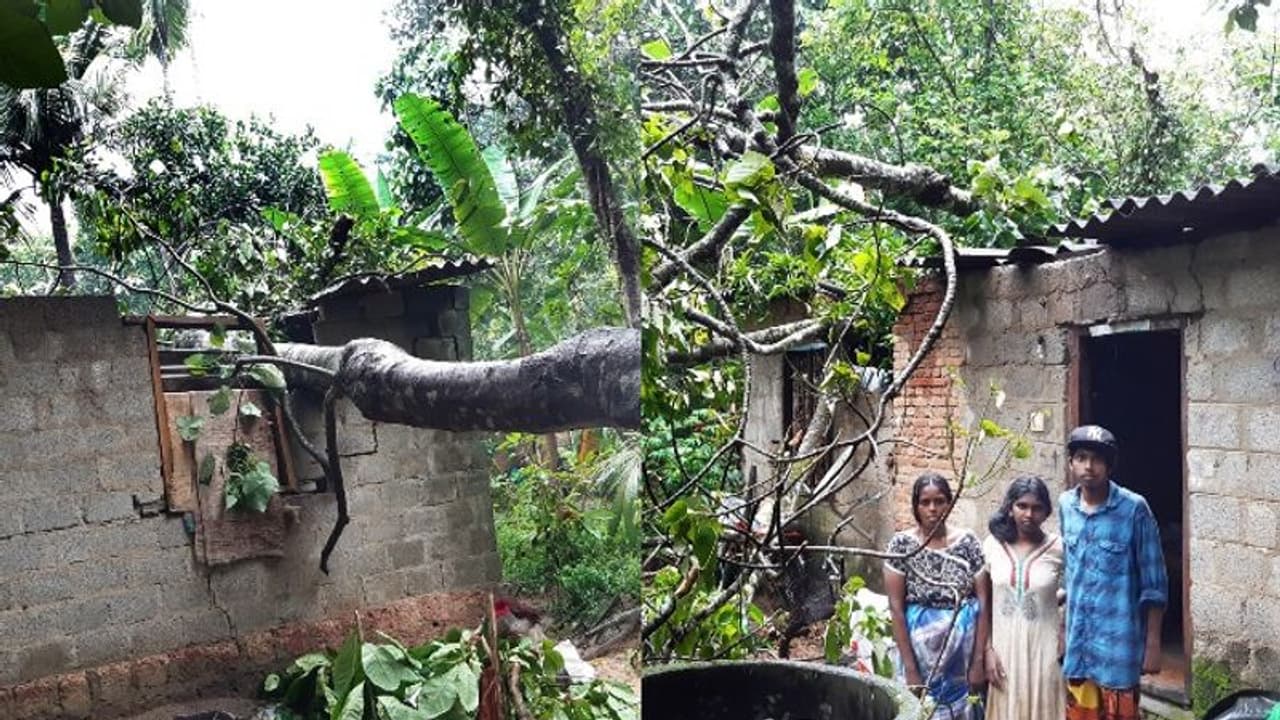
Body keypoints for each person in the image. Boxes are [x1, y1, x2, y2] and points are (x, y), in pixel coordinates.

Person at [1059, 425, 1168, 720]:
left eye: (1097, 459)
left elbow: (1154, 583)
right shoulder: (1065, 506)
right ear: (1071, 463)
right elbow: (1067, 573)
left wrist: (1153, 645)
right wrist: (1061, 631)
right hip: (1079, 646)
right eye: (1081, 457)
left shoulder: (1134, 509)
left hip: (1118, 649)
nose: (1088, 466)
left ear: (1109, 465)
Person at [884, 472, 988, 719]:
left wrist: (977, 662)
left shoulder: (968, 543)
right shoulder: (902, 546)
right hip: (918, 654)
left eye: (940, 501)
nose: (933, 509)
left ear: (950, 503)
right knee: (922, 711)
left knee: (964, 710)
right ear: (916, 506)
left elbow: (984, 603)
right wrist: (910, 670)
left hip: (961, 656)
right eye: (925, 502)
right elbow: (896, 609)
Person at [978, 475, 1065, 720]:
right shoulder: (992, 546)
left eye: (1037, 508)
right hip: (1003, 652)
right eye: (1022, 506)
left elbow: (1077, 592)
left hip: (1044, 652)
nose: (1029, 514)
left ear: (1047, 512)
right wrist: (987, 651)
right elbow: (984, 603)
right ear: (1010, 507)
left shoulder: (1059, 548)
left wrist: (1065, 628)